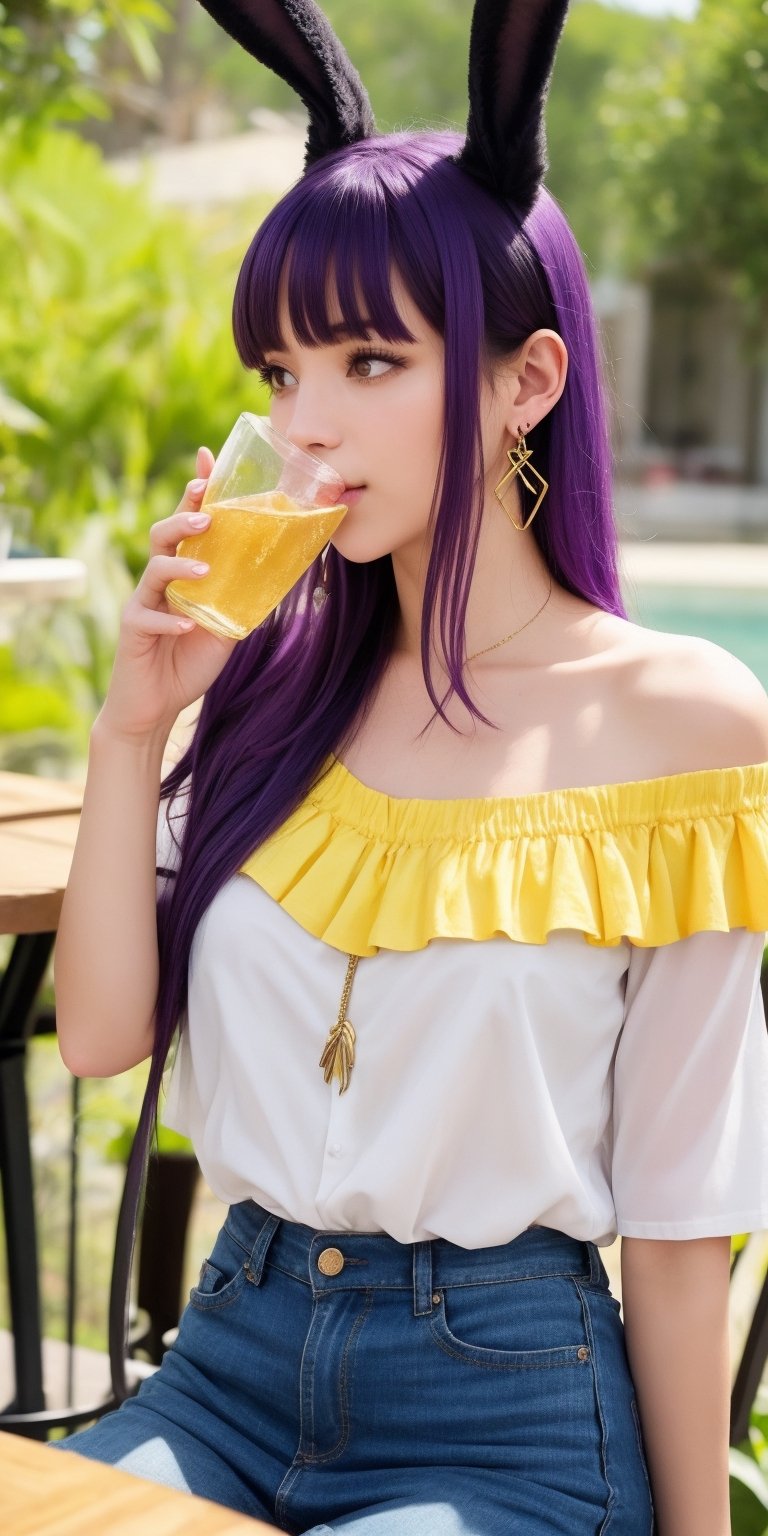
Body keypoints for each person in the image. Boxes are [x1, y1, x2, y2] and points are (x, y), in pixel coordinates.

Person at [53, 1, 768, 1532]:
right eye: (281, 372)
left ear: (529, 380)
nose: (304, 429)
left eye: (369, 360)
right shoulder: (271, 679)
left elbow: (684, 1211)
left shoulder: (685, 721)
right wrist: (132, 730)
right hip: (230, 1366)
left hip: (505, 1407)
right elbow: (102, 1036)